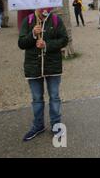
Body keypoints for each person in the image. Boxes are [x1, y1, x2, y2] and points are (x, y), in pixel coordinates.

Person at [18, 8, 69, 141]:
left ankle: (56, 125)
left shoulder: (56, 20)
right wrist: (33, 35)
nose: (44, 8)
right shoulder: (28, 20)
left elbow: (64, 39)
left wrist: (47, 44)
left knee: (54, 97)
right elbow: (21, 43)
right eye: (41, 6)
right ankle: (38, 125)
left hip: (53, 66)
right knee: (37, 99)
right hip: (33, 68)